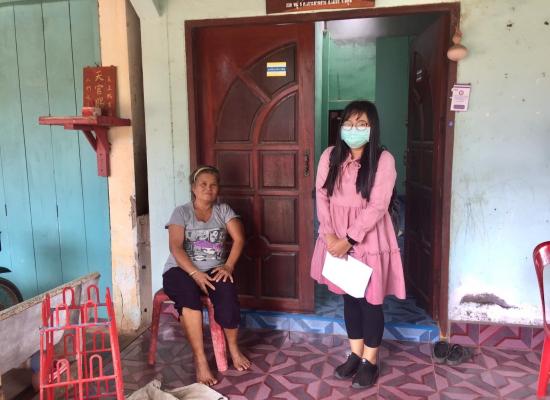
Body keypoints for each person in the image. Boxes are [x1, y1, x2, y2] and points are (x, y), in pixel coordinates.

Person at [310, 100, 406, 389]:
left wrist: (349, 239)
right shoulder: (329, 156)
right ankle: (355, 353)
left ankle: (370, 361)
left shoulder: (383, 160)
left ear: (372, 128)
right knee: (349, 297)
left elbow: (378, 205)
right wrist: (329, 235)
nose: (354, 129)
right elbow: (321, 195)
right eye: (349, 123)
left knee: (370, 301)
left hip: (368, 237)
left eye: (362, 124)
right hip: (334, 235)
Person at [162, 165, 251, 386]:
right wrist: (195, 274)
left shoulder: (224, 210)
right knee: (188, 296)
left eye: (213, 185)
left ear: (218, 189)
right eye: (203, 184)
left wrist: (228, 266)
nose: (208, 188)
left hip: (214, 268)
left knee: (227, 291)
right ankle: (200, 360)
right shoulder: (181, 212)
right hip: (180, 269)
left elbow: (239, 239)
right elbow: (175, 247)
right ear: (193, 188)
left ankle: (233, 349)